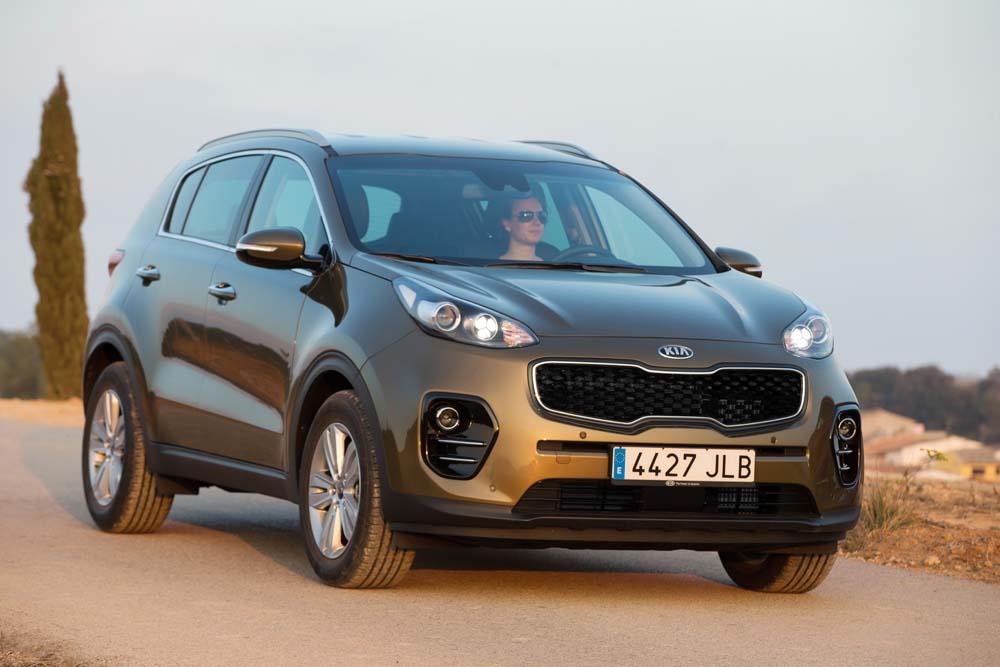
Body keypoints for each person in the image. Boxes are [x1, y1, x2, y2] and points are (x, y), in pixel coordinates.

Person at [495, 195, 548, 261]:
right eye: (526, 215)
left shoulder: (554, 263)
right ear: (507, 224)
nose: (537, 222)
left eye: (542, 215)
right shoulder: (491, 266)